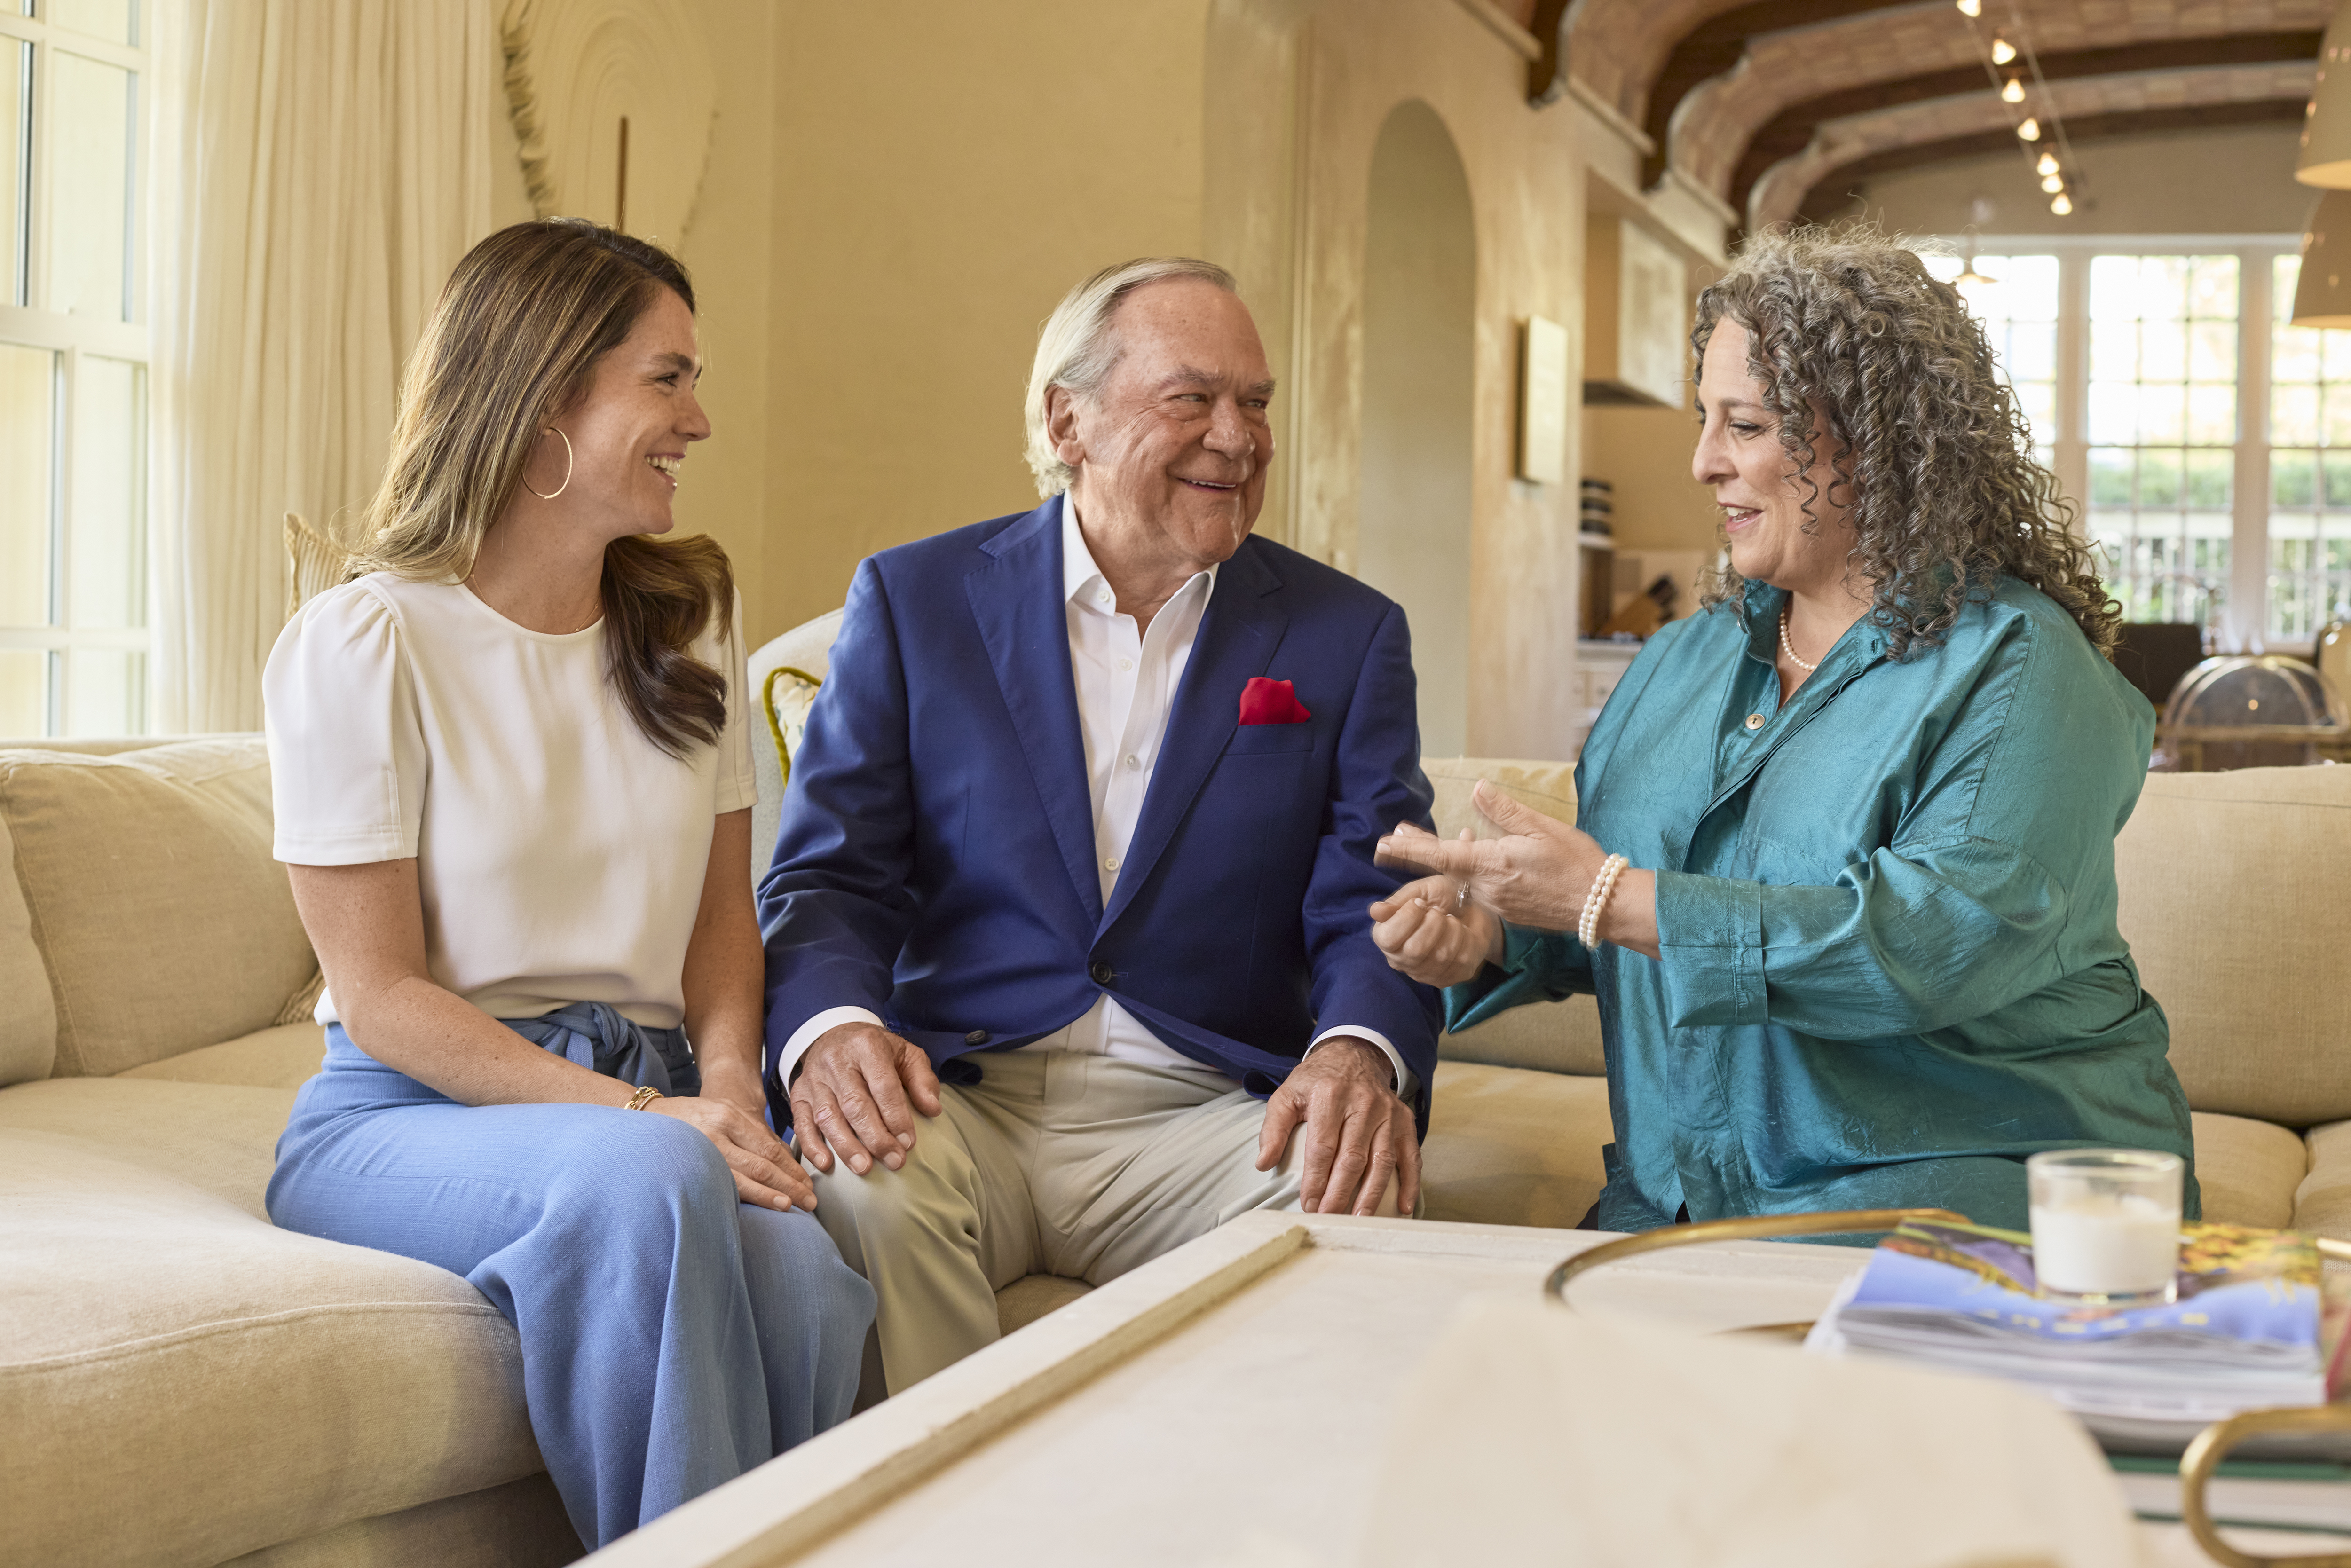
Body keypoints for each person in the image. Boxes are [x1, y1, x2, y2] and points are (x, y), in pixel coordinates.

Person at [1368, 226, 2197, 1235]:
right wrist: (1494, 935)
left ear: (1875, 443)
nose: (1702, 462)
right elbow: (1620, 913)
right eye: (1704, 420)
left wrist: (1606, 898)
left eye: (1746, 425)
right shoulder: (1684, 661)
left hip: (1965, 1186)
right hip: (1677, 1198)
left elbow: (1931, 945)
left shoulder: (2024, 669)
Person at [261, 219, 872, 1549]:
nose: (698, 420)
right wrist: (652, 1119)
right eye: (666, 379)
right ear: (547, 396)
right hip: (409, 1111)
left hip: (649, 1084)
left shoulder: (685, 619)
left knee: (811, 1276)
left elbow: (723, 927)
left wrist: (722, 1097)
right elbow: (381, 999)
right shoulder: (365, 643)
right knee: (646, 1185)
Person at [760, 257, 1440, 1394]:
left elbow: (1373, 899)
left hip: (1210, 1114)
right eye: (1193, 399)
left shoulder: (1346, 634)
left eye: (1256, 402)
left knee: (1346, 1190)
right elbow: (830, 880)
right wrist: (830, 1031)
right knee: (855, 1179)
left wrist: (1354, 1054)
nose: (1238, 436)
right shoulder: (916, 601)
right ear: (1065, 418)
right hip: (961, 1097)